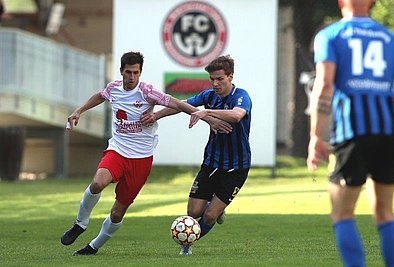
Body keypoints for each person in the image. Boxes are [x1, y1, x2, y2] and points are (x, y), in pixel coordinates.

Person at [60, 51, 231, 256]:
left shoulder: (147, 92)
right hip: (118, 150)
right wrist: (79, 110)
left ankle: (93, 247)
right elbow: (100, 96)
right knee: (98, 183)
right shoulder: (113, 88)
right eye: (128, 72)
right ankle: (80, 224)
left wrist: (205, 118)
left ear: (140, 72)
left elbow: (176, 103)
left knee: (117, 213)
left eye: (136, 72)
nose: (132, 77)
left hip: (141, 159)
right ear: (121, 71)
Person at [306, 0, 394, 266]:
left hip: (352, 130)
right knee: (385, 213)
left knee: (342, 213)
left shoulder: (330, 35)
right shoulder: (391, 39)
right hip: (389, 130)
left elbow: (324, 85)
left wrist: (316, 136)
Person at [141, 55, 252, 255]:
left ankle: (187, 244)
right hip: (211, 162)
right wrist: (156, 115)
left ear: (230, 77)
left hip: (237, 167)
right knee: (193, 212)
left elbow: (236, 115)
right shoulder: (208, 95)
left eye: (220, 79)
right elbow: (180, 105)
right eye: (212, 79)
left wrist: (205, 113)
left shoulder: (241, 96)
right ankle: (216, 205)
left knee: (209, 216)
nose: (215, 83)